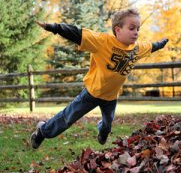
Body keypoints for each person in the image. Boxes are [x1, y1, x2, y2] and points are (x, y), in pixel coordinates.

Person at [31, 8, 168, 149]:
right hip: (92, 93)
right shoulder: (102, 42)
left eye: (138, 29)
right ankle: (42, 131)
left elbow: (152, 46)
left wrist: (162, 43)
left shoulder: (137, 48)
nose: (136, 32)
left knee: (107, 126)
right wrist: (54, 27)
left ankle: (102, 132)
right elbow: (77, 34)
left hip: (111, 97)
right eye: (132, 28)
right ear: (118, 29)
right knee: (68, 118)